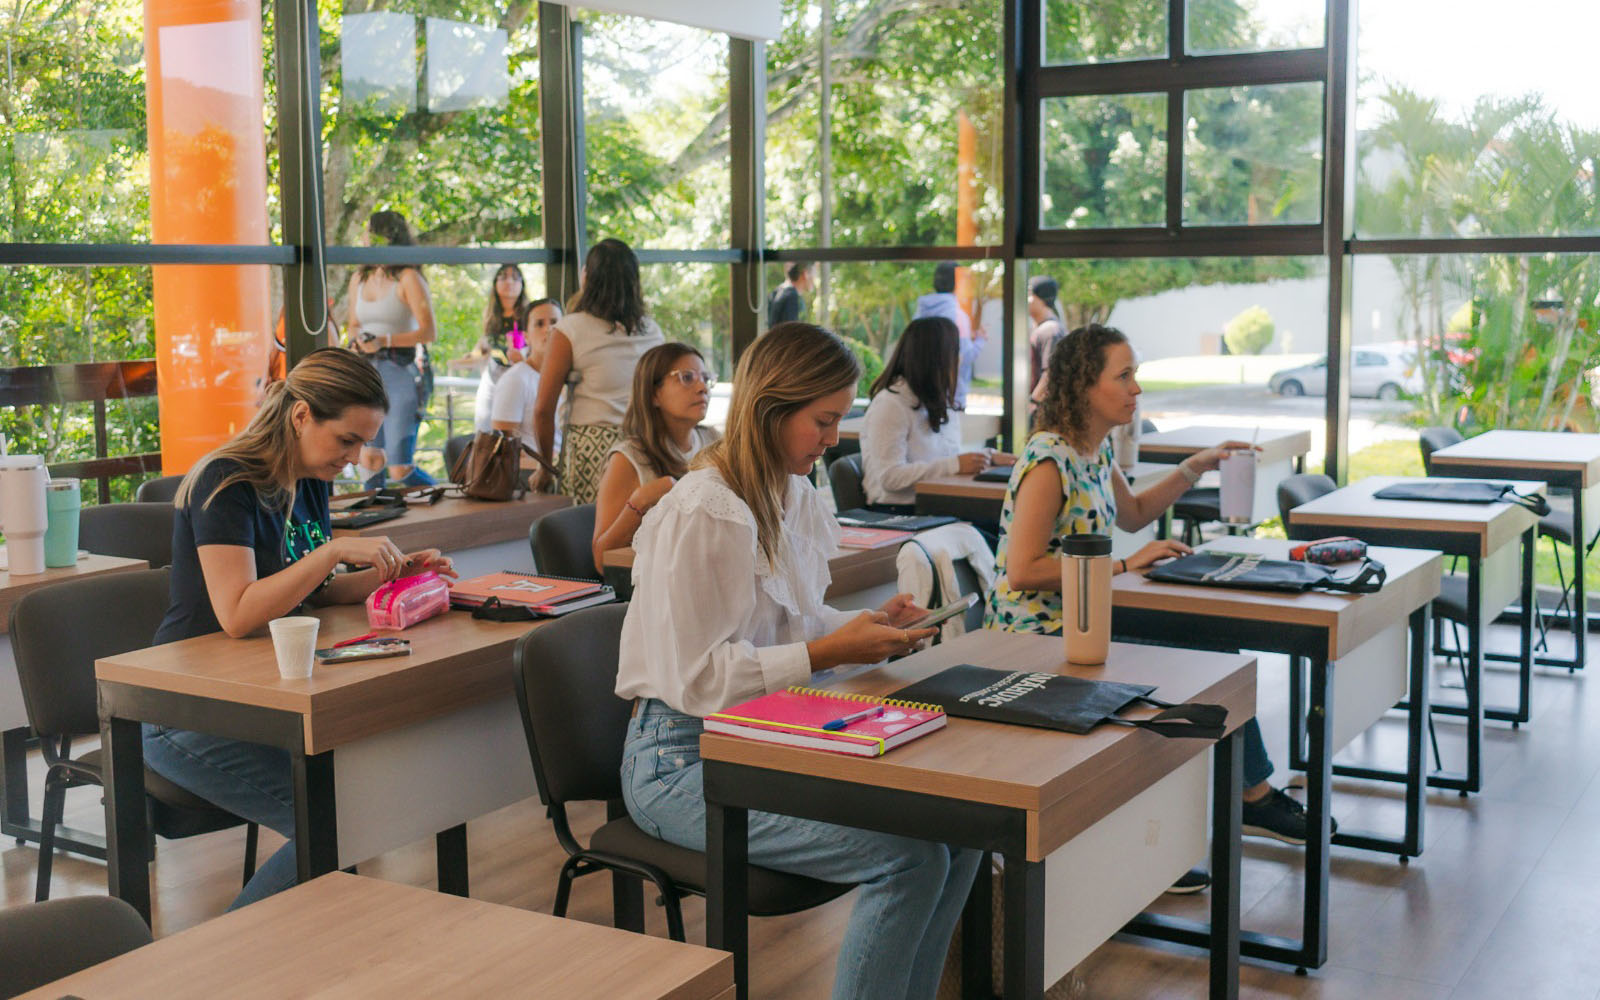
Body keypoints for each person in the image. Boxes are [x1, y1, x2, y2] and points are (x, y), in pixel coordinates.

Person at [616, 321, 979, 1000]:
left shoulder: (794, 494)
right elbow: (697, 680)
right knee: (909, 862)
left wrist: (863, 627)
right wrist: (827, 650)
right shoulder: (703, 510)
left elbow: (796, 622)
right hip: (679, 762)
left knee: (959, 837)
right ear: (771, 408)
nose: (833, 438)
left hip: (766, 739)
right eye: (824, 420)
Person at [985, 323, 1327, 850]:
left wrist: (1196, 465)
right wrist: (1122, 568)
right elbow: (1023, 571)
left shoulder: (1091, 451)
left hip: (1083, 622)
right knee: (1197, 657)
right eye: (1124, 377)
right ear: (1083, 387)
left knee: (1211, 647)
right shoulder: (1050, 460)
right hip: (1038, 636)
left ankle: (1227, 805)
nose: (1136, 389)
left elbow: (1135, 513)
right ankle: (1207, 817)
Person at [143, 348, 457, 910]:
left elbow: (313, 591)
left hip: (260, 693)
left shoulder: (309, 477)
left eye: (364, 443)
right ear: (301, 416)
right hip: (183, 711)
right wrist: (336, 548)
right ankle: (238, 955)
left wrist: (393, 573)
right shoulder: (225, 481)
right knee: (334, 821)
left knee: (349, 810)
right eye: (346, 441)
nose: (357, 457)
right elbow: (238, 614)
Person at [531, 238, 664, 504]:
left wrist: (545, 467)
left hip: (591, 453)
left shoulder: (570, 330)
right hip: (645, 449)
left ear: (587, 278)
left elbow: (543, 409)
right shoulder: (652, 331)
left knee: (588, 536)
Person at [590, 342, 720, 574]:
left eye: (705, 378)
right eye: (687, 377)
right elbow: (601, 559)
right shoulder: (629, 458)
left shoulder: (712, 441)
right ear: (653, 395)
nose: (702, 387)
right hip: (653, 585)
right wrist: (640, 501)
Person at [859, 316, 1013, 514]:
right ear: (937, 359)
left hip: (936, 504)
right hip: (899, 511)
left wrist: (985, 458)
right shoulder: (891, 404)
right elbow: (890, 477)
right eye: (956, 352)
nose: (960, 360)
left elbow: (941, 458)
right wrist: (955, 465)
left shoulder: (936, 399)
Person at [345, 210, 437, 489]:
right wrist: (357, 341)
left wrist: (384, 341)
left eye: (369, 232)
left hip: (402, 371)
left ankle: (448, 500)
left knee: (400, 467)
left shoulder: (408, 277)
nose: (363, 238)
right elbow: (353, 323)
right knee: (370, 459)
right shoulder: (359, 278)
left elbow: (429, 332)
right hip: (366, 373)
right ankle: (375, 526)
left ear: (385, 237)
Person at [489, 298, 563, 452]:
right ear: (527, 336)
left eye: (554, 322)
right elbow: (503, 452)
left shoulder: (569, 379)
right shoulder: (515, 380)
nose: (548, 329)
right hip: (531, 473)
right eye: (539, 324)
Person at [912, 262, 985, 410]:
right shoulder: (958, 316)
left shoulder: (920, 312)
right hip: (951, 398)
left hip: (919, 394)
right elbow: (965, 356)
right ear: (957, 282)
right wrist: (980, 339)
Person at [471, 264, 530, 433]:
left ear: (522, 284)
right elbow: (483, 348)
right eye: (503, 277)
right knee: (485, 433)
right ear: (495, 283)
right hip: (492, 381)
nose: (509, 282)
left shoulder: (529, 316)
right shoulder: (491, 316)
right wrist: (476, 353)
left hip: (519, 381)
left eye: (515, 277)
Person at [1025, 274, 1065, 401]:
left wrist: (1033, 402)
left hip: (1042, 409)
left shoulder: (1051, 331)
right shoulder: (1038, 328)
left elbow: (1050, 372)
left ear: (1041, 298)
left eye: (1029, 294)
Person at [766, 260, 813, 328]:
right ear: (805, 274)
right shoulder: (791, 297)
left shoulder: (778, 291)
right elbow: (790, 332)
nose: (814, 278)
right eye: (814, 273)